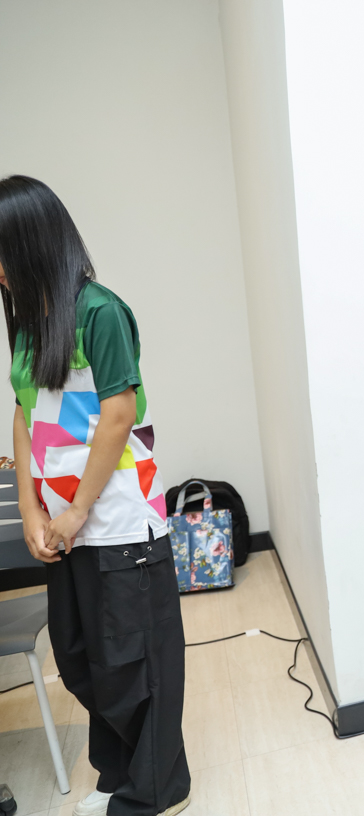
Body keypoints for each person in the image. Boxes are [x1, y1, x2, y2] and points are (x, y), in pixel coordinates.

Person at [0, 176, 190, 816]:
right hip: (64, 526)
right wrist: (31, 508)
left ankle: (157, 792)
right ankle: (119, 774)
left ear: (30, 243)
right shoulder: (29, 326)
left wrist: (77, 510)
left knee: (136, 664)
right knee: (82, 660)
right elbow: (24, 417)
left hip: (116, 521)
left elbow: (118, 415)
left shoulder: (100, 312)